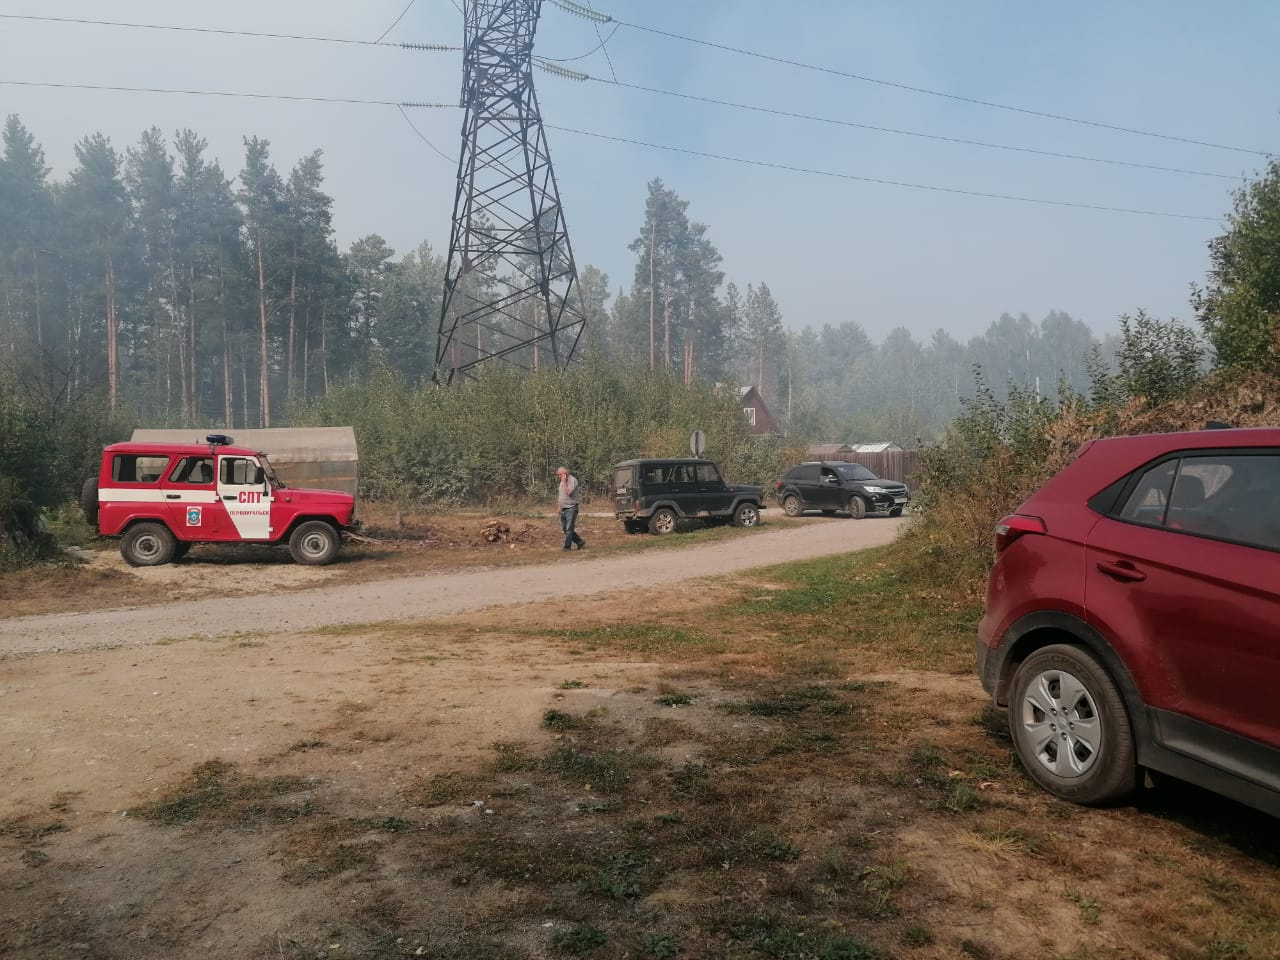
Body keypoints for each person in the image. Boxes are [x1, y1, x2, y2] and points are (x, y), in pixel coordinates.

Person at [556, 465, 586, 551]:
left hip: (571, 508)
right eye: (558, 475)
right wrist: (559, 506)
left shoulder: (572, 480)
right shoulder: (562, 481)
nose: (559, 476)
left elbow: (568, 492)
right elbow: (561, 495)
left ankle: (567, 547)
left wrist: (564, 482)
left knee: (569, 529)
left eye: (560, 474)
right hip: (563, 508)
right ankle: (580, 542)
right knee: (565, 529)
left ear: (565, 474)